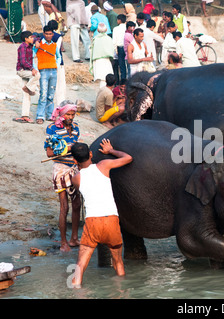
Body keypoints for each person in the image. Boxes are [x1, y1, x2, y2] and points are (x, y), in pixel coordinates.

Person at [70, 139, 133, 288]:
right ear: (91, 154)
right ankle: (121, 292)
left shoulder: (76, 178)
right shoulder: (104, 165)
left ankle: (76, 292)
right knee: (118, 263)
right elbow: (128, 158)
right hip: (111, 219)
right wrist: (110, 151)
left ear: (74, 160)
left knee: (80, 267)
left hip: (93, 222)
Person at [44, 102, 81, 252]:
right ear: (61, 114)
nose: (70, 118)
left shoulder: (76, 128)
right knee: (64, 207)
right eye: (68, 115)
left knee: (77, 204)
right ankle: (64, 242)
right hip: (60, 169)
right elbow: (49, 153)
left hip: (74, 168)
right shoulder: (52, 128)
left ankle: (74, 238)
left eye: (72, 115)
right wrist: (69, 148)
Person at [34, 25, 61, 124]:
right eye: (46, 34)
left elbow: (58, 57)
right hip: (43, 71)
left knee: (51, 94)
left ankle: (50, 115)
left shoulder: (54, 45)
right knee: (43, 94)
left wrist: (56, 66)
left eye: (50, 34)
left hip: (53, 71)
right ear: (43, 34)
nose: (48, 35)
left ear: (52, 34)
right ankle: (40, 115)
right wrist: (36, 68)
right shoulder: (38, 44)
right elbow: (33, 56)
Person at [14, 31, 40, 124]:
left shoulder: (30, 45)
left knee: (26, 95)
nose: (32, 38)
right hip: (22, 70)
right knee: (37, 75)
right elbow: (23, 61)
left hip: (27, 71)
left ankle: (25, 115)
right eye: (30, 37)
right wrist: (32, 68)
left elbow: (38, 36)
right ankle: (28, 88)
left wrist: (37, 41)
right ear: (26, 39)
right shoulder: (22, 47)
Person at [90, 23, 114, 88]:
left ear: (97, 30)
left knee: (102, 79)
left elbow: (91, 51)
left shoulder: (95, 39)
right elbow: (112, 51)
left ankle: (102, 94)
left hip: (97, 61)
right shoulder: (109, 39)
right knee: (105, 78)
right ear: (106, 30)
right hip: (106, 60)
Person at [112, 14, 127, 80]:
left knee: (122, 66)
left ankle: (121, 81)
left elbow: (114, 41)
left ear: (119, 20)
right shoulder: (127, 28)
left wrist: (115, 50)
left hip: (120, 48)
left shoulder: (116, 29)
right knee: (127, 65)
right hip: (127, 47)